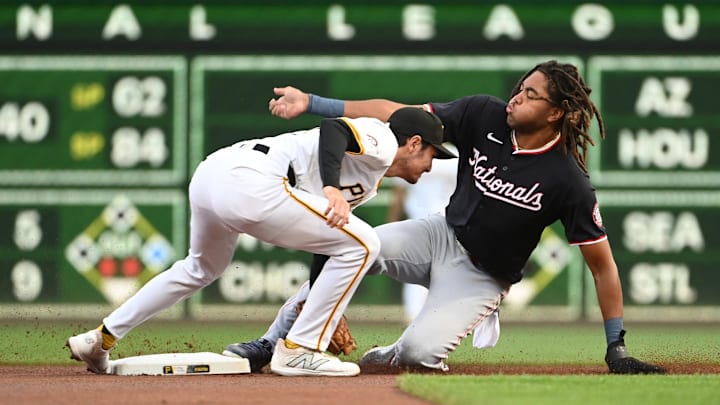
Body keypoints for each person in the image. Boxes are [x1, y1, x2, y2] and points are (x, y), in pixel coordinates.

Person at [224, 60, 665, 374]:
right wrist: (314, 102)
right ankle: (269, 343)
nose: (517, 97)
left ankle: (396, 352)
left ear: (556, 113)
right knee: (355, 246)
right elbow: (398, 113)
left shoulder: (568, 180)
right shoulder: (483, 114)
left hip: (482, 276)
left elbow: (602, 266)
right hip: (438, 234)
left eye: (532, 95)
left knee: (419, 356)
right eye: (520, 87)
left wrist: (616, 346)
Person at [66, 107, 455, 377]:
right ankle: (300, 351)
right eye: (432, 156)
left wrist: (320, 310)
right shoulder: (383, 138)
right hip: (253, 178)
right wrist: (333, 188)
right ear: (414, 142)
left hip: (213, 176)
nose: (430, 166)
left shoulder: (367, 182)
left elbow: (328, 247)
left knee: (200, 267)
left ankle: (100, 337)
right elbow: (333, 129)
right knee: (366, 242)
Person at [386, 143, 458, 323]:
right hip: (434, 222)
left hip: (439, 222)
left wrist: (392, 222)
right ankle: (421, 316)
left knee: (418, 270)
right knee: (436, 270)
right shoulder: (454, 154)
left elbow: (399, 195)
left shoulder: (411, 153)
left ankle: (419, 316)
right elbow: (399, 193)